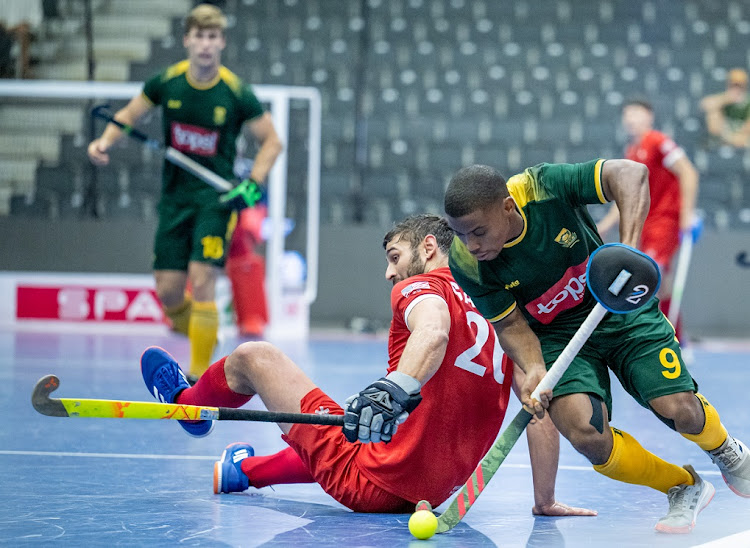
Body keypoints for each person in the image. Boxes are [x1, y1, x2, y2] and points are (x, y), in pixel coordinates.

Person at [139, 214, 595, 516]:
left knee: (253, 357)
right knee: (354, 423)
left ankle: (188, 406)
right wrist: (545, 500)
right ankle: (246, 473)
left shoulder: (421, 288)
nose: (389, 273)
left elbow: (433, 329)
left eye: (395, 257)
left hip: (373, 483)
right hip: (433, 494)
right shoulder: (503, 311)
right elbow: (538, 410)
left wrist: (397, 385)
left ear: (430, 247)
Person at [444, 160, 750, 533]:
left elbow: (631, 174)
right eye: (461, 235)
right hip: (558, 337)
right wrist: (534, 366)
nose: (471, 245)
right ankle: (682, 487)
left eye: (478, 231)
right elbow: (509, 324)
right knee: (586, 435)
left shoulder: (542, 187)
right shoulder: (465, 262)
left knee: (680, 410)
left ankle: (726, 452)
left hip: (617, 306)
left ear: (508, 206)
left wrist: (628, 254)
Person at [88, 4, 282, 382]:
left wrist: (252, 184)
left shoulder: (236, 92)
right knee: (169, 292)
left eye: (213, 37)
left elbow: (272, 142)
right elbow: (128, 115)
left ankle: (197, 378)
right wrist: (105, 141)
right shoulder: (168, 82)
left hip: (217, 200)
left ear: (221, 42)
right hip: (175, 198)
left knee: (203, 276)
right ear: (187, 40)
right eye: (199, 37)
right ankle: (203, 331)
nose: (205, 45)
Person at [597, 99, 699, 339]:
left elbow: (688, 172)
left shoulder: (658, 141)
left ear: (649, 116)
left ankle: (661, 338)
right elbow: (626, 196)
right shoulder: (631, 152)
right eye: (627, 114)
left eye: (636, 113)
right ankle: (677, 338)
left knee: (649, 277)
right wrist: (605, 225)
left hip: (665, 221)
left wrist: (686, 216)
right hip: (646, 223)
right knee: (660, 284)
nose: (630, 118)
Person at [700, 68, 750, 148]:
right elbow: (704, 105)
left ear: (744, 86)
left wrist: (731, 138)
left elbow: (747, 130)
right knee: (713, 112)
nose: (736, 89)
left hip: (741, 139)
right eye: (733, 85)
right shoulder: (723, 98)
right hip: (723, 135)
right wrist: (726, 99)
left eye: (739, 86)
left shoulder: (748, 101)